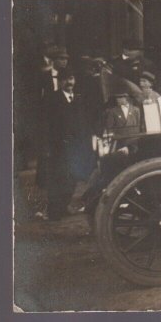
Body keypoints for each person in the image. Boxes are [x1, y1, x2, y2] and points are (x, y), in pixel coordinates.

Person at [41, 67, 94, 220]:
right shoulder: (52, 99)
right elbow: (45, 124)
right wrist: (46, 146)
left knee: (72, 177)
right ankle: (53, 212)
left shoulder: (78, 99)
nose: (69, 82)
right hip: (58, 147)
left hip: (76, 147)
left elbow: (84, 123)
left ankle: (64, 207)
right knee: (58, 178)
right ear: (60, 81)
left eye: (71, 79)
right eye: (66, 79)